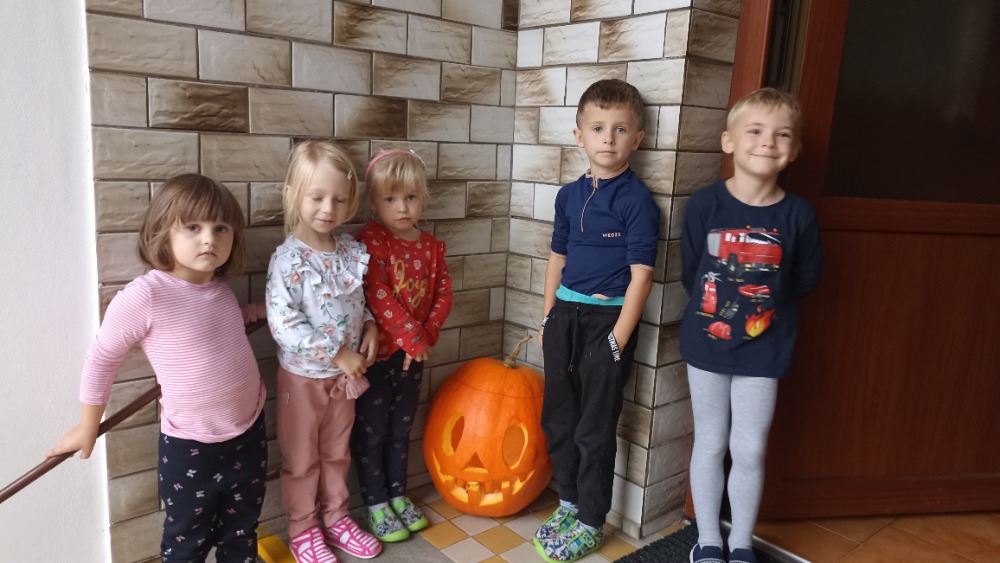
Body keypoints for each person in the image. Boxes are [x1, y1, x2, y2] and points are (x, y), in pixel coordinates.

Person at [48, 174, 268, 563]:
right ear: (163, 233)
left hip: (248, 433)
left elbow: (225, 327)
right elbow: (102, 358)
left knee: (241, 532)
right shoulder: (146, 295)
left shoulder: (219, 288)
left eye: (221, 228)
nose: (209, 239)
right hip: (191, 448)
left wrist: (262, 311)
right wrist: (87, 424)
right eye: (193, 227)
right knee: (186, 542)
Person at [680, 88, 823, 563]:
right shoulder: (703, 206)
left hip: (765, 350)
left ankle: (741, 542)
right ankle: (707, 539)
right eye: (755, 131)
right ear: (729, 142)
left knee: (749, 448)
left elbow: (805, 279)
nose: (767, 141)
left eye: (782, 135)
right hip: (706, 347)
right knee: (709, 442)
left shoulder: (798, 214)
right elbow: (691, 272)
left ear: (794, 150)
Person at [533, 78, 661, 563]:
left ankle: (590, 520)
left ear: (637, 139)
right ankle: (568, 503)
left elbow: (642, 276)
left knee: (594, 427)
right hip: (564, 316)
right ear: (579, 135)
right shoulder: (568, 196)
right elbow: (556, 258)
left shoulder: (636, 200)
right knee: (559, 418)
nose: (608, 138)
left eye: (620, 129)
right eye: (598, 128)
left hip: (607, 322)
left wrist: (616, 341)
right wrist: (548, 317)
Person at [266, 140, 382, 562]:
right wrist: (336, 354)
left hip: (344, 380)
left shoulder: (348, 251)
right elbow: (284, 324)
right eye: (317, 197)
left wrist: (370, 325)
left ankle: (336, 517)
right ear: (292, 195)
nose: (328, 208)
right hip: (304, 381)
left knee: (336, 453)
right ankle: (303, 529)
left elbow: (355, 301)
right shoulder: (288, 260)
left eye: (339, 199)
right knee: (301, 459)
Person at [351, 149, 452, 543]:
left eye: (410, 197)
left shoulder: (432, 247)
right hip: (377, 358)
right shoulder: (372, 240)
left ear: (423, 198)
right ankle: (376, 503)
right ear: (374, 202)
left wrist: (425, 340)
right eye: (390, 198)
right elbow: (377, 294)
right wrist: (413, 337)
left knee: (401, 429)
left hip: (414, 359)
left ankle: (398, 494)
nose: (402, 207)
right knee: (372, 431)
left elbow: (443, 294)